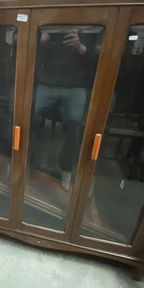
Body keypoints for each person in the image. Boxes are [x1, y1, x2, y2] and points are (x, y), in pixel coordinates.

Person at [30, 27, 99, 190]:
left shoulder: (90, 28)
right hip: (47, 82)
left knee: (74, 124)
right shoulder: (46, 26)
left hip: (75, 85)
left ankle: (66, 169)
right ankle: (23, 161)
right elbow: (31, 59)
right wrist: (39, 44)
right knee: (25, 116)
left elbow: (98, 64)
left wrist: (80, 48)